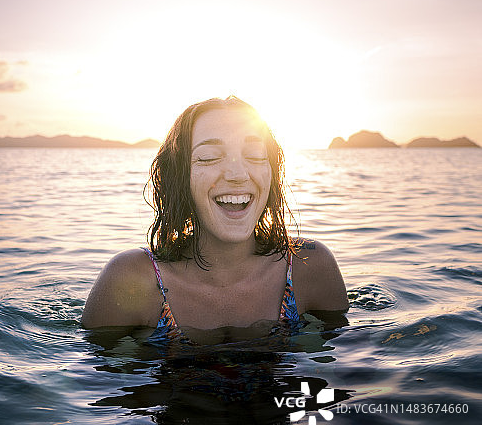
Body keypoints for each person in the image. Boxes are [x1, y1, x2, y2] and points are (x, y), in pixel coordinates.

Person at [81, 95, 349, 338]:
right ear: (179, 178)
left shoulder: (309, 265)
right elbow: (93, 383)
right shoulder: (132, 280)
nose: (238, 174)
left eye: (255, 155)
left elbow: (342, 379)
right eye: (209, 157)